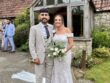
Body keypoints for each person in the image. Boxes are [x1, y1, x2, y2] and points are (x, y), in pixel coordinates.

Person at [29, 8, 54, 83]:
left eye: (46, 15)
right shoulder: (34, 28)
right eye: (42, 15)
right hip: (39, 57)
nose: (44, 16)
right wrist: (34, 57)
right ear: (39, 17)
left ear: (48, 17)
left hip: (50, 56)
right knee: (39, 76)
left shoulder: (52, 27)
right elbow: (31, 44)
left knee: (49, 75)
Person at [51, 14, 74, 83]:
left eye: (59, 20)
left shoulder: (67, 30)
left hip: (65, 55)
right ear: (54, 22)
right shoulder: (54, 31)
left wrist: (63, 51)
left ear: (62, 21)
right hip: (56, 55)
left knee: (65, 70)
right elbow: (53, 43)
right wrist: (54, 50)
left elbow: (71, 44)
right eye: (56, 20)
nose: (57, 21)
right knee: (57, 70)